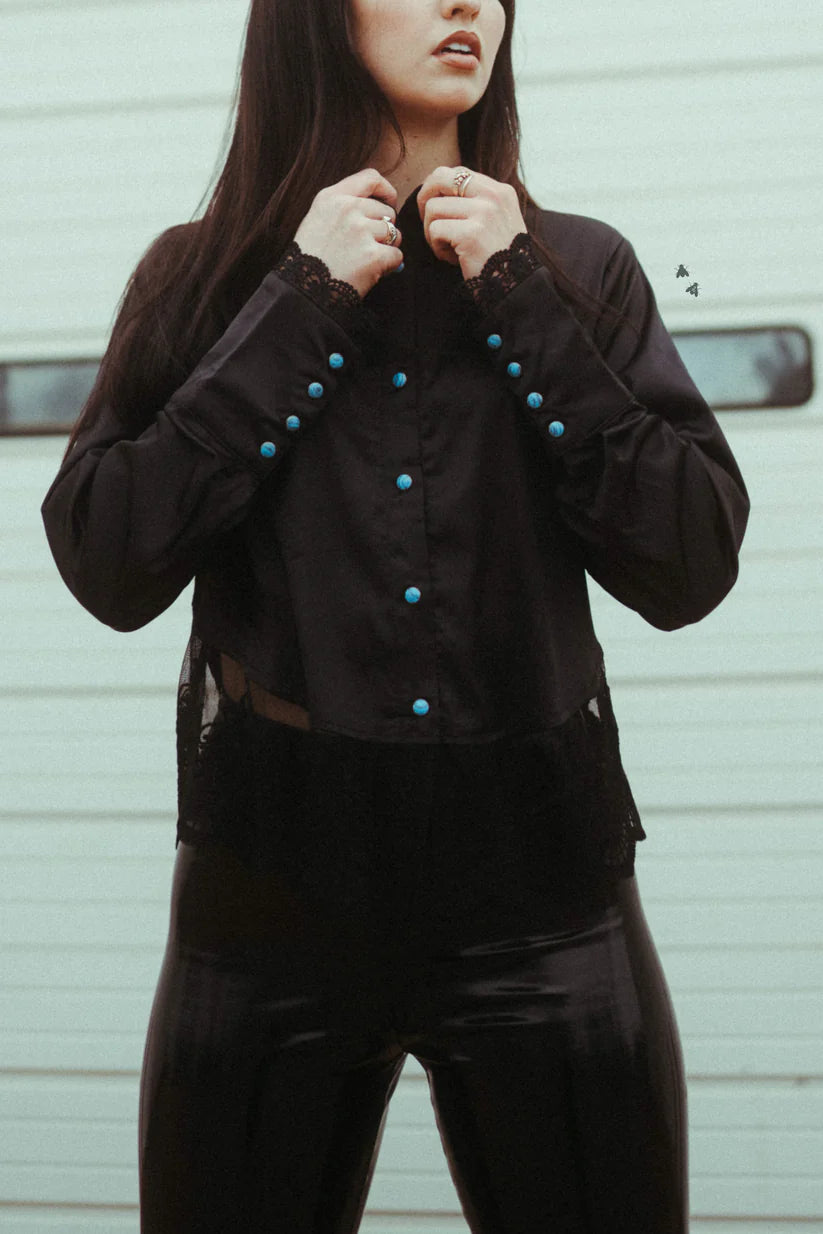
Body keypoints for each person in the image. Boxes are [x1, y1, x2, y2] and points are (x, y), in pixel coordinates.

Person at [41, 0, 750, 1229]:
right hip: (269, 896)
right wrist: (303, 296)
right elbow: (109, 557)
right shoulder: (203, 275)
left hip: (545, 894)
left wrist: (520, 293)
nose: (468, 3)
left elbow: (688, 562)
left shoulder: (579, 268)